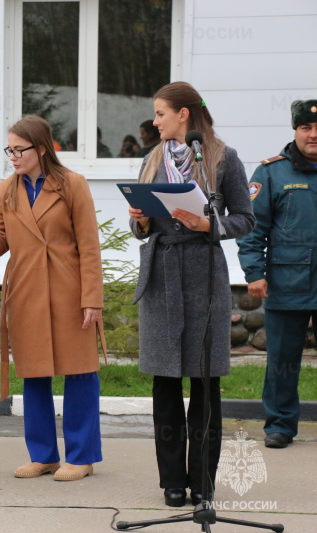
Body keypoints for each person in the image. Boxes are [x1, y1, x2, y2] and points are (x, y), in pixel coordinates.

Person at [0, 114, 105, 482]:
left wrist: (92, 299)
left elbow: (90, 247)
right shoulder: (6, 190)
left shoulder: (73, 185)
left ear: (42, 148)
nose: (13, 156)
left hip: (70, 293)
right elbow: (0, 242)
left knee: (80, 372)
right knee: (34, 374)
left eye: (19, 150)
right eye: (10, 150)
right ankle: (44, 455)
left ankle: (81, 456)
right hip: (27, 292)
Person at [128, 81, 254, 507]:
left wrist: (208, 227)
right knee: (165, 382)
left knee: (204, 381)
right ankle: (172, 482)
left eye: (161, 113)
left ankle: (203, 479)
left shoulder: (222, 157)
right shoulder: (151, 159)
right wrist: (140, 221)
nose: (155, 121)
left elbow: (245, 219)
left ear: (184, 114)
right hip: (163, 275)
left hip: (204, 277)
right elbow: (139, 228)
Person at [237, 99, 317, 450]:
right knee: (283, 359)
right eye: (305, 128)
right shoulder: (271, 173)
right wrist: (254, 272)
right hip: (288, 283)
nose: (313, 135)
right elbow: (253, 228)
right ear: (295, 130)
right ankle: (281, 425)